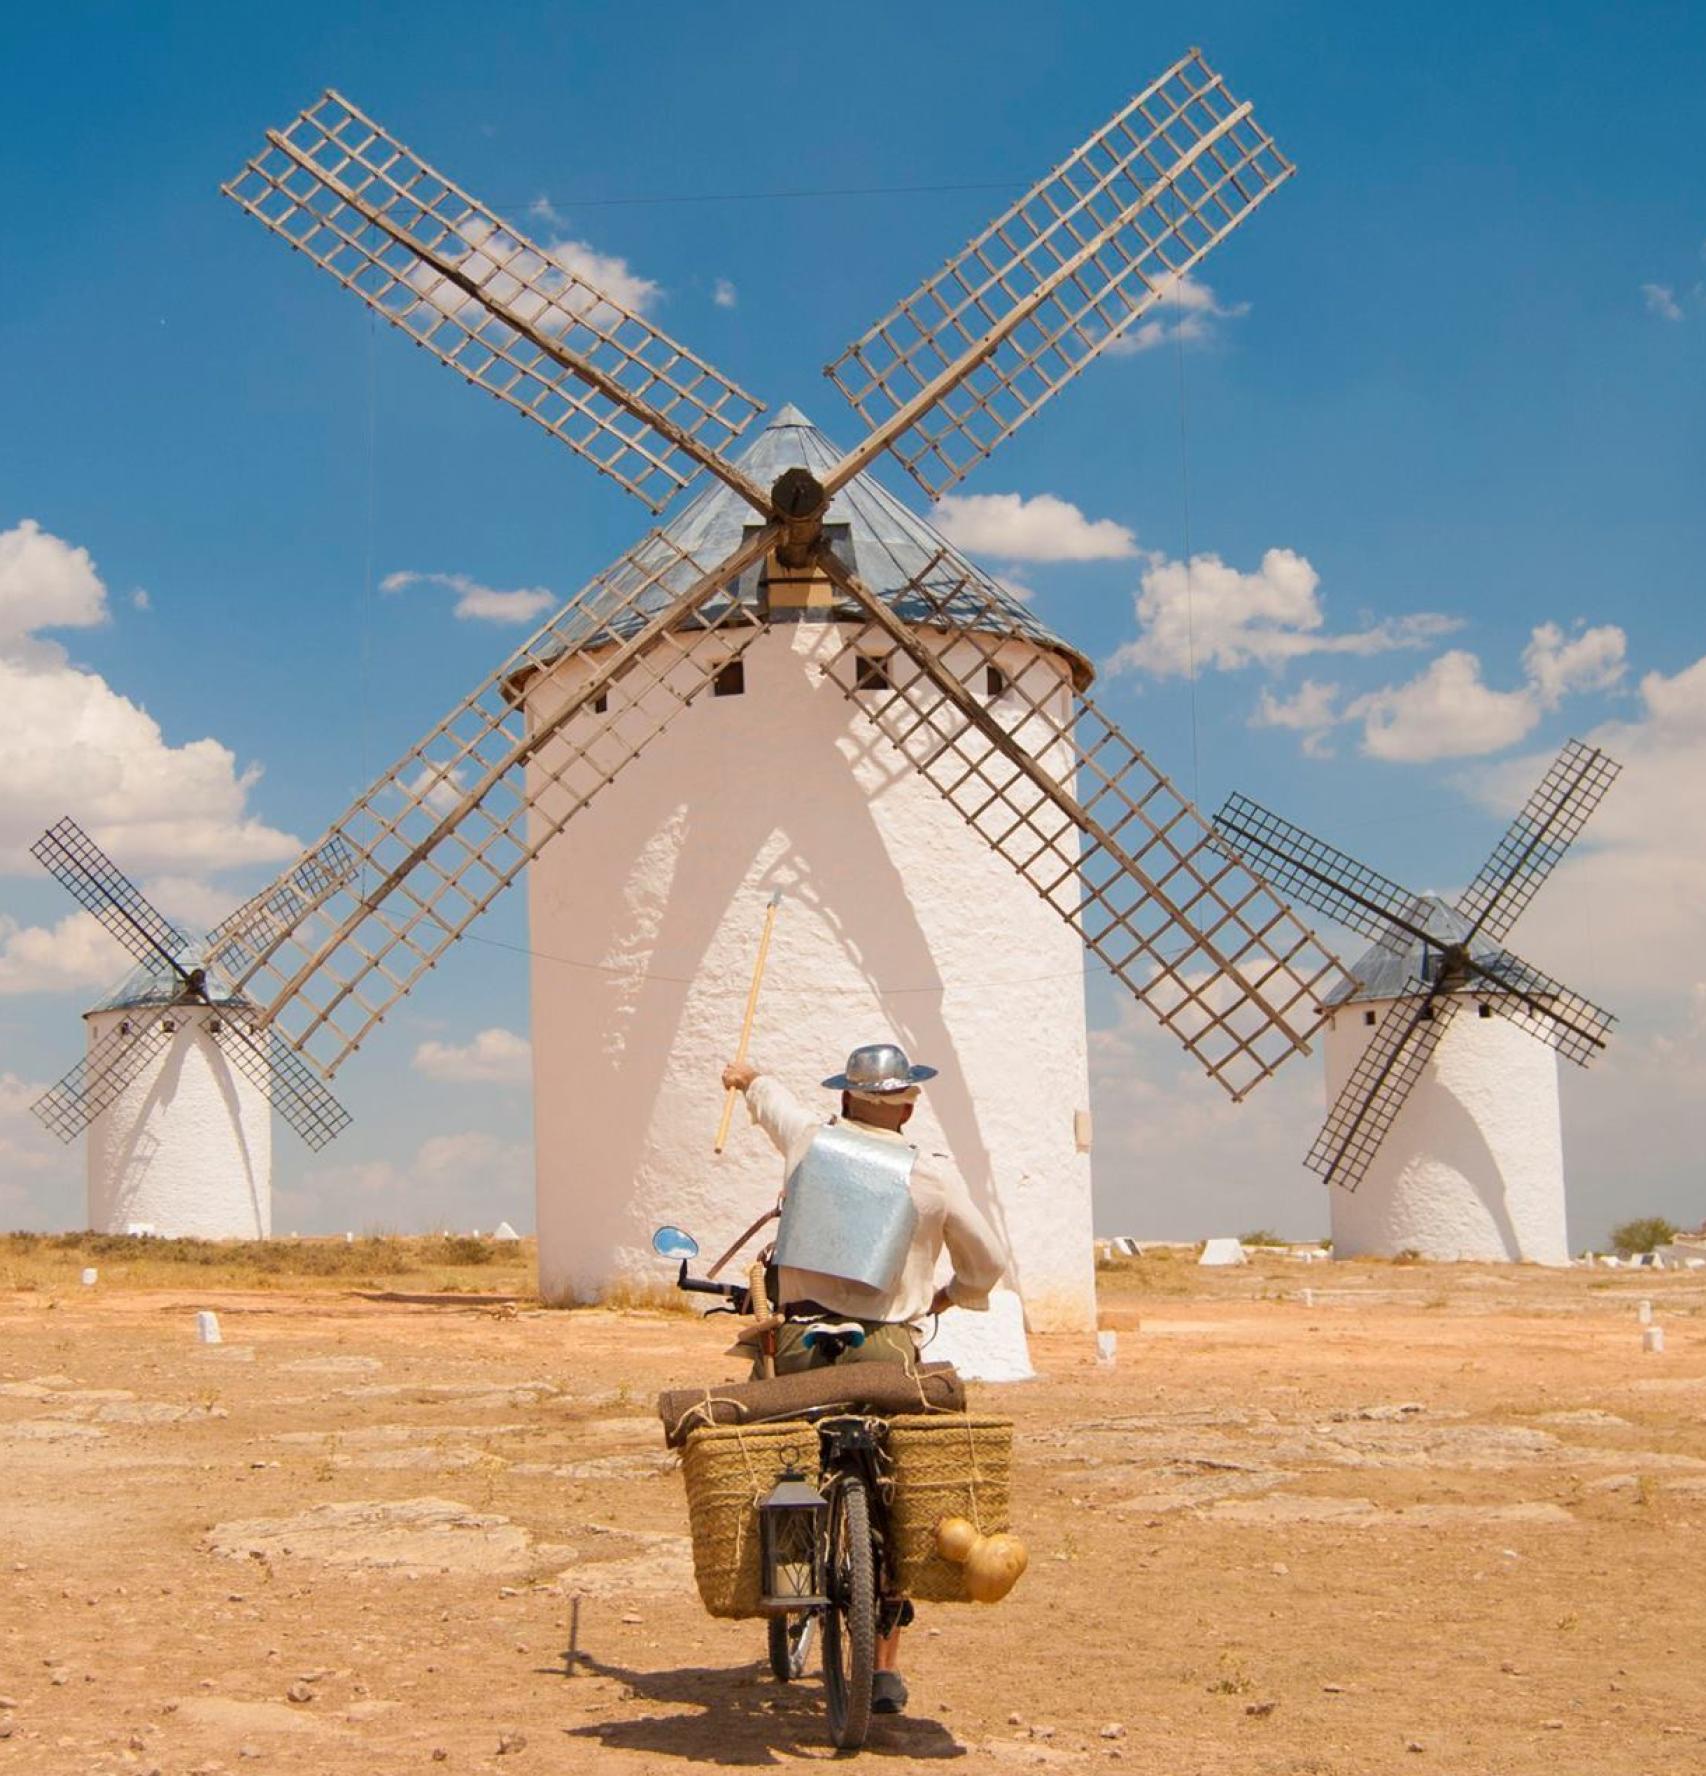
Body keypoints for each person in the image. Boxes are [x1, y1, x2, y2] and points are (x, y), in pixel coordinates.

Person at [721, 1040, 1007, 1715]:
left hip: (797, 1347)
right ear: (907, 1103)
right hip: (885, 1354)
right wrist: (948, 1296)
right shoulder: (931, 1175)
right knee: (902, 1492)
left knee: (785, 1463)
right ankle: (881, 1670)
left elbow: (773, 1102)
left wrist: (748, 1075)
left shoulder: (809, 1140)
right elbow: (987, 1263)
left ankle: (787, 1571)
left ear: (844, 1095)